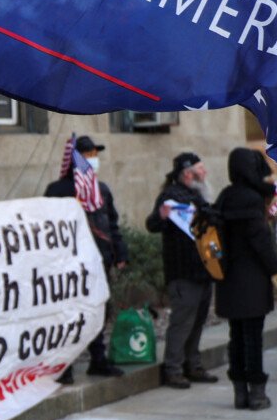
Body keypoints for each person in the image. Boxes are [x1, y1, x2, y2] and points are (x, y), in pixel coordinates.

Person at [46, 134, 128, 381]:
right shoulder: (57, 191)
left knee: (97, 312)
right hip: (69, 266)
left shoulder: (101, 190)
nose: (94, 159)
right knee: (69, 316)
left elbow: (112, 224)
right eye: (89, 155)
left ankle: (98, 360)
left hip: (98, 261)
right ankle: (65, 366)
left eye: (95, 154)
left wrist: (120, 252)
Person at [145, 152, 220, 389]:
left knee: (198, 321)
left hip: (203, 270)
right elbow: (152, 224)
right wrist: (161, 217)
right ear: (188, 173)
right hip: (183, 273)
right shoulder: (171, 197)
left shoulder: (197, 196)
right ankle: (173, 369)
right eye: (201, 168)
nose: (205, 172)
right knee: (182, 322)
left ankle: (193, 365)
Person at [213, 148, 277, 411]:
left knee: (236, 337)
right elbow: (260, 241)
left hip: (228, 280)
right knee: (253, 337)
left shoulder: (225, 197)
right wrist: (275, 271)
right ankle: (257, 395)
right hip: (251, 280)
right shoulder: (252, 200)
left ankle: (240, 394)